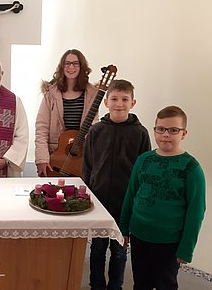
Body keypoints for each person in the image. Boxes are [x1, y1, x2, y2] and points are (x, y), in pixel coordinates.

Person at [120, 106, 206, 289]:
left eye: (173, 130)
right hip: (140, 235)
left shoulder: (191, 168)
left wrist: (186, 247)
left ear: (183, 133)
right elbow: (131, 194)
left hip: (169, 241)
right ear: (155, 130)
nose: (166, 134)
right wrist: (124, 228)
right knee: (141, 282)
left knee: (165, 283)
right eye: (161, 129)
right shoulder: (143, 160)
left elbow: (196, 211)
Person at [82, 80, 151, 290]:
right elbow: (87, 166)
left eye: (124, 99)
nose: (119, 104)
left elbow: (144, 171)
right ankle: (96, 285)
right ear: (106, 102)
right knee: (97, 250)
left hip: (125, 204)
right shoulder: (95, 131)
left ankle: (115, 286)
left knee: (120, 252)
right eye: (114, 99)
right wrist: (87, 197)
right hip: (99, 202)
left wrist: (137, 202)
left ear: (133, 102)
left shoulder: (140, 133)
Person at [35, 49, 99, 177]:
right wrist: (42, 159)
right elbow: (41, 127)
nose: (71, 67)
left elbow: (94, 126)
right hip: (55, 156)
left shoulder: (92, 94)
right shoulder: (51, 93)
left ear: (82, 67)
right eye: (67, 63)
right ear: (62, 67)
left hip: (80, 156)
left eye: (75, 63)